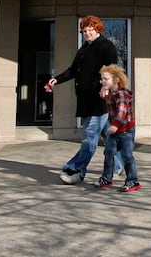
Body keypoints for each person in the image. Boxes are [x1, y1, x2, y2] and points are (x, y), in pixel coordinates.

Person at [46, 15, 122, 184]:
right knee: (109, 136)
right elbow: (73, 70)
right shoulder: (83, 50)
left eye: (90, 30)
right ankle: (119, 163)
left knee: (89, 137)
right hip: (85, 101)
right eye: (84, 31)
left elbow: (112, 70)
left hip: (99, 101)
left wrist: (105, 87)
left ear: (97, 29)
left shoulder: (106, 46)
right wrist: (56, 79)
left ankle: (76, 169)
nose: (87, 33)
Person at [93, 64, 141, 192]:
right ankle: (107, 178)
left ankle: (133, 181)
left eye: (106, 79)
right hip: (116, 131)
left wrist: (115, 124)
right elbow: (110, 102)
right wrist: (103, 95)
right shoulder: (112, 93)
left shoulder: (121, 94)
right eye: (102, 79)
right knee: (109, 152)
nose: (103, 81)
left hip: (126, 131)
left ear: (115, 79)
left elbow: (121, 111)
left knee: (127, 156)